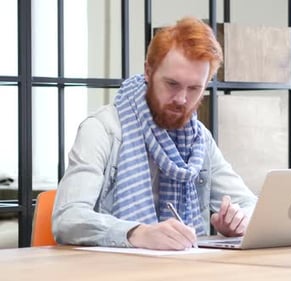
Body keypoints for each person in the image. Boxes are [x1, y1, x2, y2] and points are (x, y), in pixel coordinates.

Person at [52, 17, 257, 250]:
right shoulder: (101, 130)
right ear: (148, 71)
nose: (181, 99)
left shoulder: (199, 138)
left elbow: (249, 204)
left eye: (194, 89)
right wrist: (137, 233)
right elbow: (68, 218)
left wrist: (239, 221)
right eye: (171, 84)